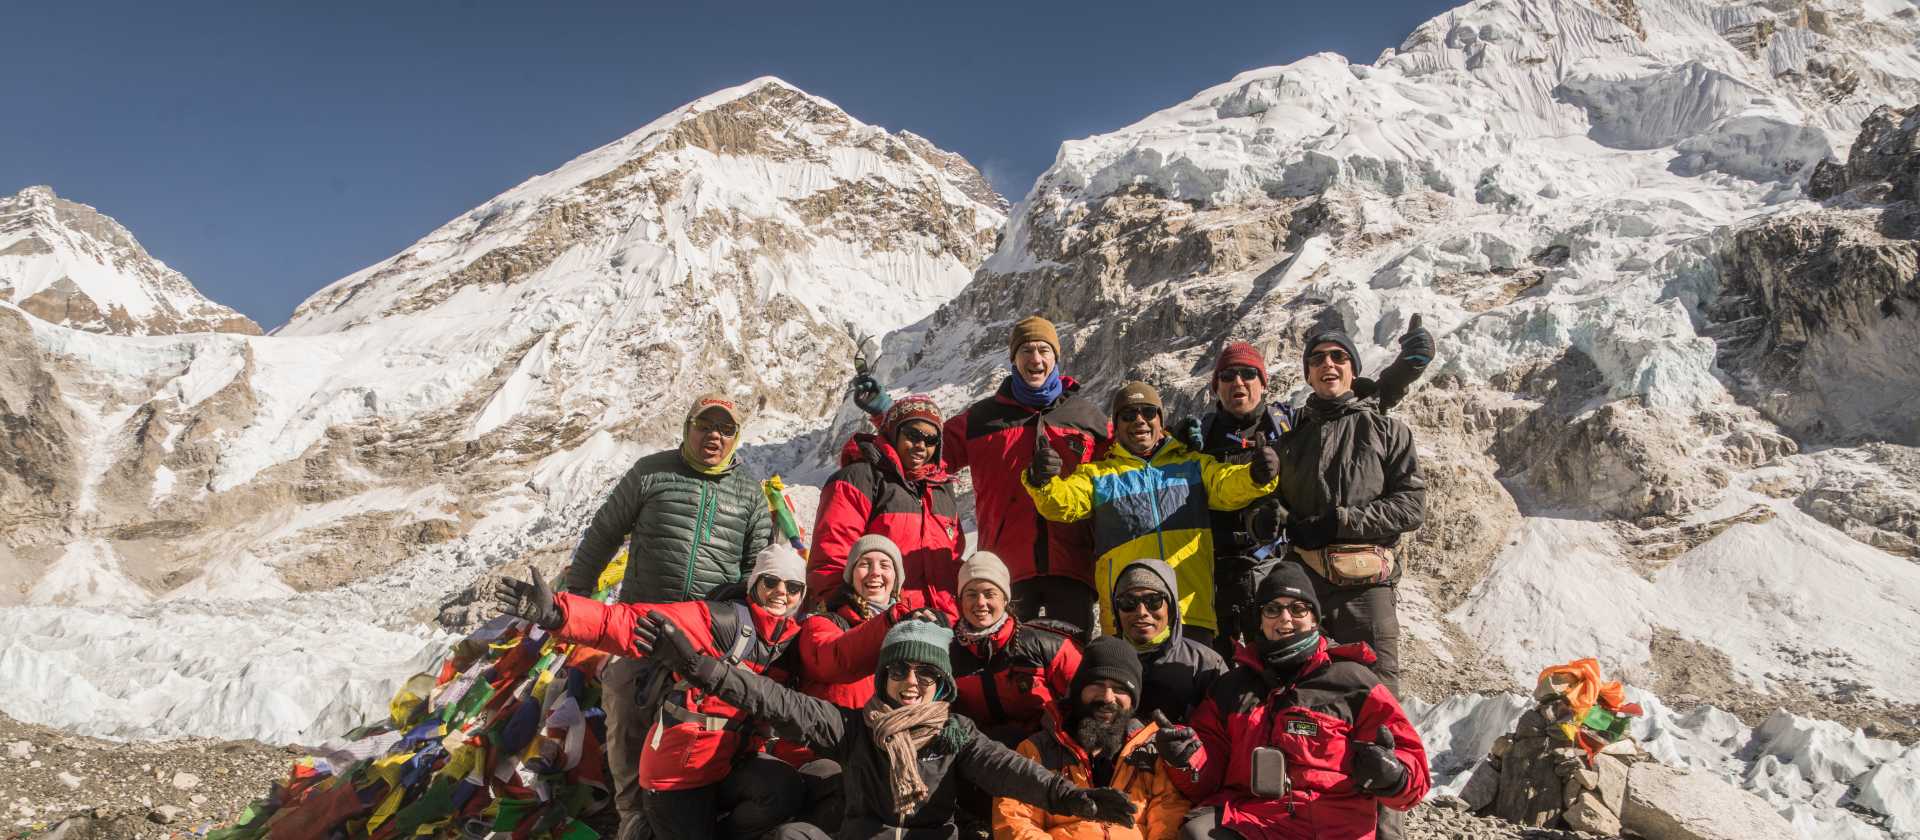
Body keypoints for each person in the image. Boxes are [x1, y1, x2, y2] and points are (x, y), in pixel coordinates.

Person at [630, 613, 1141, 840]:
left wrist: (1074, 798)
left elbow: (1006, 769)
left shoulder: (954, 732)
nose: (909, 682)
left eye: (923, 672)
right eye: (898, 670)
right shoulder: (853, 728)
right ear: (884, 676)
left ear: (941, 681)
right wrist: (699, 667)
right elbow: (777, 701)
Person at [555, 392, 774, 840]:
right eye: (705, 425)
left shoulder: (748, 495)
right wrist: (574, 597)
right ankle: (633, 822)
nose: (714, 435)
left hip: (708, 637)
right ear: (688, 426)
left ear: (736, 437)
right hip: (641, 625)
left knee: (691, 734)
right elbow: (604, 532)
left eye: (725, 429)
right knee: (628, 726)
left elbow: (758, 571)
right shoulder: (651, 473)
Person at [495, 544, 810, 840]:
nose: (781, 592)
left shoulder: (790, 642)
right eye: (771, 581)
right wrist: (560, 614)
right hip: (678, 775)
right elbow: (632, 622)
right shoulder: (722, 620)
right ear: (755, 583)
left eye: (792, 587)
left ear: (801, 595)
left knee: (783, 791)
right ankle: (650, 827)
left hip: (730, 763)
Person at [1176, 325, 1432, 656]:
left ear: (1263, 383)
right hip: (1215, 577)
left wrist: (1402, 374)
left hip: (1283, 573)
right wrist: (1172, 444)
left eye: (1248, 374)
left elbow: (1349, 413)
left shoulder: (1286, 425)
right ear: (1216, 387)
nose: (1237, 382)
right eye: (1227, 376)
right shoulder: (1200, 436)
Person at [1155, 564, 1430, 840]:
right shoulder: (1231, 688)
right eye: (1272, 609)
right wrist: (1185, 759)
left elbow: (1411, 763)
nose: (1284, 618)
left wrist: (1394, 778)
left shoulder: (1353, 682)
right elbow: (1207, 778)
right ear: (1260, 620)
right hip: (1250, 817)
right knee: (1196, 834)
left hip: (1333, 827)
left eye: (1298, 609)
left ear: (1314, 619)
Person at [1024, 381, 1277, 641]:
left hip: (1189, 611)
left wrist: (1255, 475)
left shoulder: (1192, 465)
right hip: (1128, 617)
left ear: (1160, 419)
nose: (1139, 421)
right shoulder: (1099, 475)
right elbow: (1061, 503)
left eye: (1148, 412)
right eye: (1128, 415)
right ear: (1117, 425)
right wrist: (1041, 480)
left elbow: (1226, 485)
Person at [1270, 331, 1425, 692]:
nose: (1328, 363)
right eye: (1317, 358)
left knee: (1377, 699)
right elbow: (1270, 504)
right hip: (1305, 587)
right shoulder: (1290, 441)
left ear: (1353, 370)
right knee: (1306, 695)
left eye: (1339, 357)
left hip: (1367, 589)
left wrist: (1338, 522)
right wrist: (1275, 517)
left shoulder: (1388, 431)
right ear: (1307, 374)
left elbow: (1411, 506)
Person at [943, 316, 1112, 631]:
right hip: (1005, 572)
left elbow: (1128, 460)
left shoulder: (1087, 418)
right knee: (1011, 667)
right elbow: (925, 451)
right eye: (1026, 350)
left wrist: (1177, 445)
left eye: (1044, 350)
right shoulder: (981, 419)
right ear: (1013, 359)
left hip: (1072, 567)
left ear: (1055, 357)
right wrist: (883, 414)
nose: (1036, 359)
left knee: (1071, 662)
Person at [993, 636, 1191, 840]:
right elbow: (1015, 820)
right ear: (1079, 691)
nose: (1107, 697)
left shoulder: (1152, 750)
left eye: (1120, 688)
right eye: (1097, 684)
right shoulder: (1036, 750)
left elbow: (1169, 812)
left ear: (1133, 700)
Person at [811, 395, 966, 605]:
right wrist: (846, 610)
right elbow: (832, 559)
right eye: (913, 434)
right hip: (879, 618)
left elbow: (953, 560)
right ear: (893, 433)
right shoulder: (859, 479)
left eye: (931, 440)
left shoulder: (941, 489)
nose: (921, 445)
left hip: (941, 621)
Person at [799, 534, 960, 710]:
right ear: (851, 576)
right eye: (864, 564)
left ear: (896, 579)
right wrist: (892, 620)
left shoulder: (914, 626)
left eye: (885, 565)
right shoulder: (822, 622)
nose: (875, 572)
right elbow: (834, 660)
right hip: (840, 733)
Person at [948, 552, 1083, 745]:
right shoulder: (950, 652)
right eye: (971, 594)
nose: (980, 602)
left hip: (1047, 750)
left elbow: (1086, 696)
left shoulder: (1046, 645)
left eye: (989, 594)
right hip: (979, 755)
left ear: (1005, 599)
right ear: (960, 601)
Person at [1107, 559, 1226, 723]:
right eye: (1128, 602)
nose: (1141, 612)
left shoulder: (1207, 664)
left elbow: (1225, 733)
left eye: (1153, 601)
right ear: (1116, 610)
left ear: (1171, 609)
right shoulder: (1101, 658)